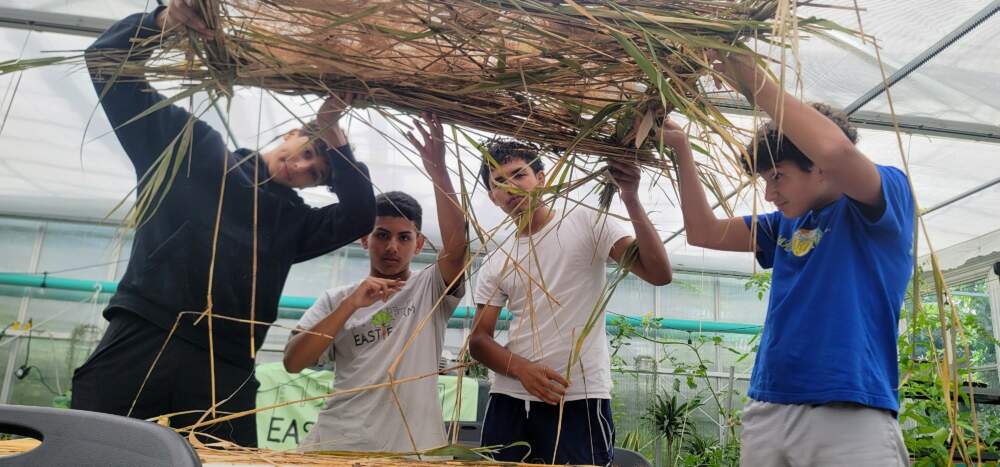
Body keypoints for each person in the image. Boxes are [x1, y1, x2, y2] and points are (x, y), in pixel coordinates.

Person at [71, 1, 375, 447]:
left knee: (227, 461)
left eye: (316, 173)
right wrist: (164, 22)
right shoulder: (194, 149)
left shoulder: (292, 222)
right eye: (308, 150)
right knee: (88, 450)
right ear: (290, 132)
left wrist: (335, 136)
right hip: (147, 333)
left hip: (226, 360)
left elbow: (359, 215)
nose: (303, 166)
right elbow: (107, 63)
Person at [660, 50, 913, 466]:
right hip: (770, 405)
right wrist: (682, 149)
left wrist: (756, 83)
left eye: (777, 176)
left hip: (848, 409)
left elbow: (835, 151)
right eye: (764, 179)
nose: (769, 193)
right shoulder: (783, 225)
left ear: (820, 169)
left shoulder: (881, 200)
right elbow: (702, 231)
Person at [469, 140, 672, 465]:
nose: (511, 188)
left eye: (518, 175)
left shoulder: (588, 223)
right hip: (509, 399)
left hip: (577, 397)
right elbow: (479, 341)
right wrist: (521, 370)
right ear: (493, 197)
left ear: (542, 178)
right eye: (499, 183)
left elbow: (658, 273)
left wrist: (631, 198)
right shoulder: (497, 258)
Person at [284, 113, 467, 453]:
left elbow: (458, 249)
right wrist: (352, 304)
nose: (392, 247)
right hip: (338, 445)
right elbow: (294, 361)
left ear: (420, 243)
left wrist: (438, 171)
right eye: (381, 235)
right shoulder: (336, 298)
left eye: (403, 237)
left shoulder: (429, 289)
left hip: (410, 451)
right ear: (364, 240)